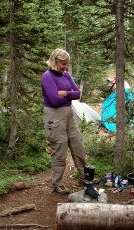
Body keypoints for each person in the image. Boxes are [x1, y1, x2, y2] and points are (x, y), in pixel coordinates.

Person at [41, 48, 86, 194]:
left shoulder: (66, 75)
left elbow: (77, 93)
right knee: (59, 151)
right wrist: (68, 95)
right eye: (63, 64)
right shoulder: (47, 77)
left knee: (77, 145)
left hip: (68, 115)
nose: (65, 67)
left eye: (67, 64)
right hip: (54, 117)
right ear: (55, 62)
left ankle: (84, 177)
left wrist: (65, 93)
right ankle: (57, 183)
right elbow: (54, 100)